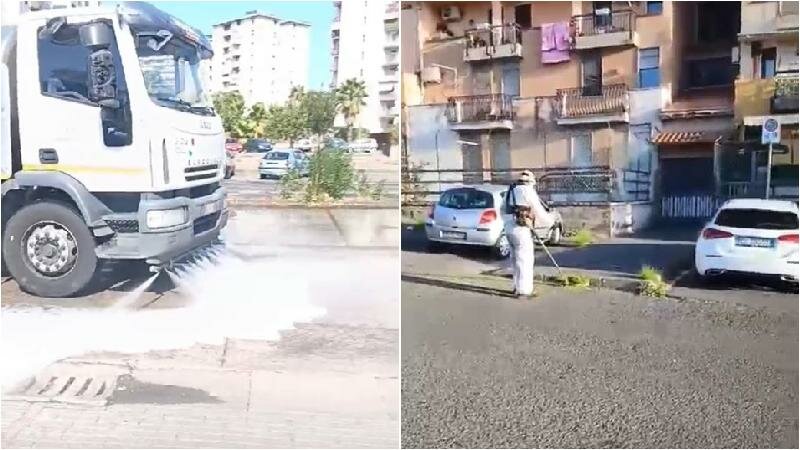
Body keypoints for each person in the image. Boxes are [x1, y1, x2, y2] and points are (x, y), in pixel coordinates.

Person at [503, 170, 554, 298]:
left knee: (515, 260)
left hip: (509, 228)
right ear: (531, 182)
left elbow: (502, 209)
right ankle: (524, 291)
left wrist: (508, 221)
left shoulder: (510, 190)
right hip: (521, 230)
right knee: (525, 260)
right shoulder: (528, 191)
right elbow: (539, 212)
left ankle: (516, 287)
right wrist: (551, 221)